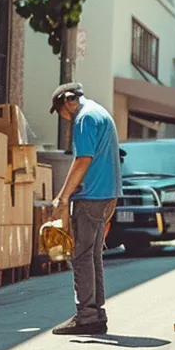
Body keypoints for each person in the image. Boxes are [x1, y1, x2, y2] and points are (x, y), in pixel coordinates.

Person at [47, 82, 121, 335]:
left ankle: (87, 316)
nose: (65, 119)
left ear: (68, 100)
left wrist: (63, 197)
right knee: (92, 256)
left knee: (81, 256)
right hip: (106, 196)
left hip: (92, 197)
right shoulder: (99, 112)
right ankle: (96, 314)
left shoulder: (85, 118)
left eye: (62, 113)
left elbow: (83, 160)